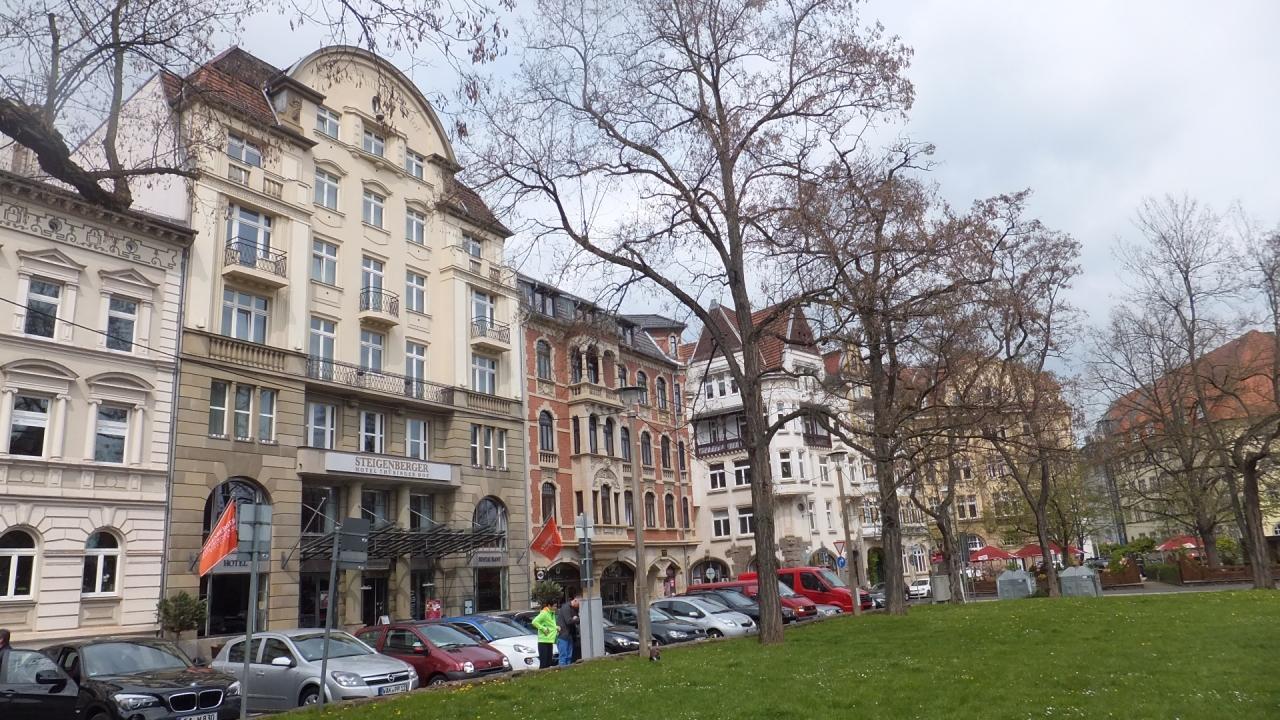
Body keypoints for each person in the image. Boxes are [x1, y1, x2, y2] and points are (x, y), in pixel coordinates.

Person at [530, 602, 558, 669]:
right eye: (554, 606)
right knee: (544, 663)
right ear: (549, 606)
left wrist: (557, 627)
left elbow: (550, 625)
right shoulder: (544, 613)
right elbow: (534, 622)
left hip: (549, 640)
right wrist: (543, 628)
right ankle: (541, 674)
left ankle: (547, 674)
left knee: (549, 662)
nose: (555, 608)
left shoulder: (552, 613)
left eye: (556, 606)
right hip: (543, 641)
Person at [556, 595, 579, 666]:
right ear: (575, 600)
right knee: (563, 656)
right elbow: (568, 621)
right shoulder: (566, 607)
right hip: (563, 635)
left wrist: (576, 619)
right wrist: (575, 619)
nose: (579, 606)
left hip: (570, 635)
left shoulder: (574, 609)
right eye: (579, 603)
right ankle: (562, 669)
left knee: (569, 656)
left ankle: (568, 669)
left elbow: (577, 619)